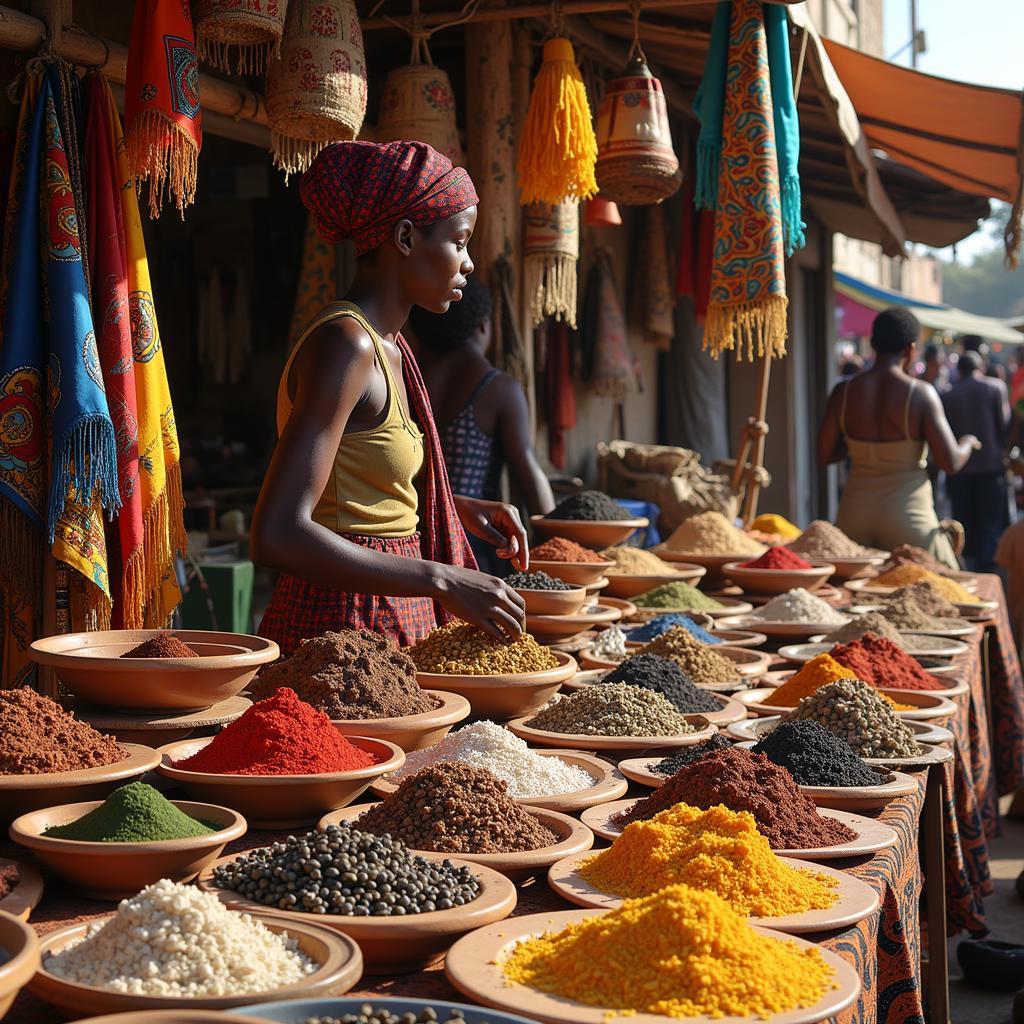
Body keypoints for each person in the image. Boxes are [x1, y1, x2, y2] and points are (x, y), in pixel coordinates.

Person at [251, 141, 528, 655]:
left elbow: (358, 487)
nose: (468, 264)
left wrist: (454, 506)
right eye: (460, 242)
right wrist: (443, 579)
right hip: (339, 628)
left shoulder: (391, 346)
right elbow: (277, 532)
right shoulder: (346, 346)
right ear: (405, 237)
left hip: (383, 615)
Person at [409, 277, 555, 573]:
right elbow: (529, 475)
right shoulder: (498, 388)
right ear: (484, 325)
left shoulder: (409, 380)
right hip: (474, 549)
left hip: (415, 543)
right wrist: (557, 544)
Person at [817, 307, 980, 567]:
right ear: (911, 349)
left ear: (872, 344)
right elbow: (950, 462)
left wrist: (859, 448)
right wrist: (967, 443)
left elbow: (825, 454)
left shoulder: (843, 392)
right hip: (909, 518)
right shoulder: (920, 394)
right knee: (945, 588)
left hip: (854, 515)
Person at [942, 349, 1012, 571]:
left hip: (960, 468)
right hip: (991, 466)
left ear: (959, 370)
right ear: (980, 367)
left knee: (964, 518)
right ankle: (989, 562)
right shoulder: (995, 387)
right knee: (990, 519)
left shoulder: (948, 393)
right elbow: (1004, 425)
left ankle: (967, 561)